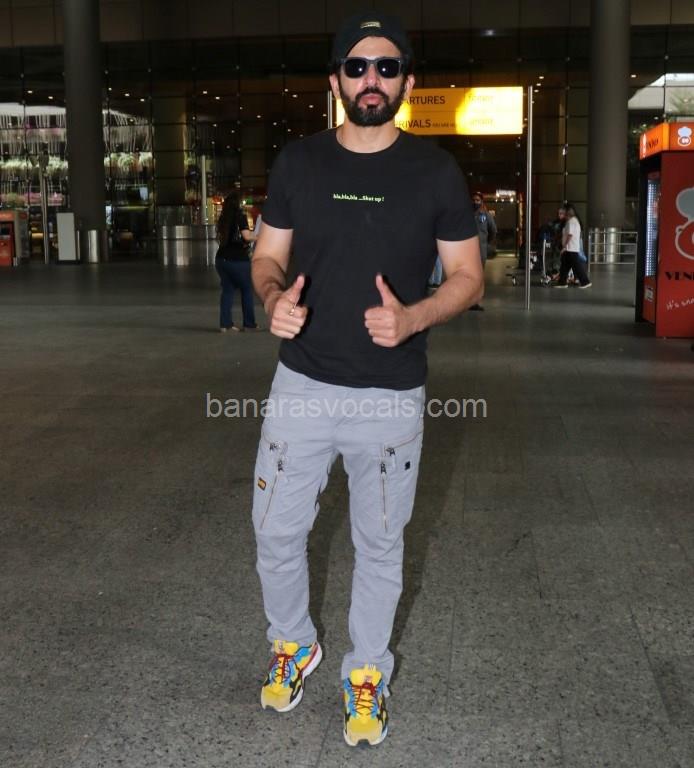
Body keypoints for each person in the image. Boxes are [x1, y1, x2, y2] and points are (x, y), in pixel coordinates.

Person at [249, 11, 483, 748]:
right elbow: (266, 257)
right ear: (336, 81)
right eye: (356, 66)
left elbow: (468, 277)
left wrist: (414, 318)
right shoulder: (299, 163)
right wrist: (271, 298)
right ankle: (293, 644)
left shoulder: (435, 172)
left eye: (386, 67)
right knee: (275, 530)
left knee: (379, 544)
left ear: (407, 81)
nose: (371, 79)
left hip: (390, 392)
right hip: (302, 384)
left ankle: (368, 672)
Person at [214, 194, 259, 332]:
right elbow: (247, 236)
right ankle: (249, 324)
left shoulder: (223, 218)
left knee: (227, 291)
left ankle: (225, 324)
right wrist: (260, 236)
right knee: (246, 289)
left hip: (221, 260)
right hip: (238, 260)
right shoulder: (240, 216)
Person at [553, 203, 592, 289]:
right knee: (564, 266)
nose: (562, 213)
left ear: (567, 212)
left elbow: (570, 235)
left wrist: (564, 246)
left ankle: (585, 282)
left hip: (571, 248)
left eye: (564, 212)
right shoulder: (572, 221)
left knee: (576, 266)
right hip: (570, 248)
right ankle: (562, 282)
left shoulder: (571, 222)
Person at [469, 191, 496, 310]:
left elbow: (493, 230)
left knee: (478, 277)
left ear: (482, 201)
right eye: (474, 200)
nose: (475, 202)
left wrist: (485, 242)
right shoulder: (467, 215)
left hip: (480, 251)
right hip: (468, 252)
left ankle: (475, 301)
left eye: (478, 200)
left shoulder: (486, 215)